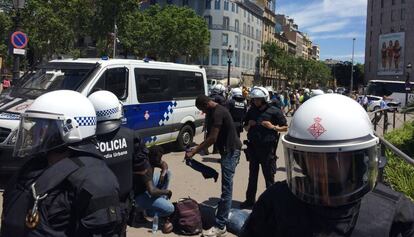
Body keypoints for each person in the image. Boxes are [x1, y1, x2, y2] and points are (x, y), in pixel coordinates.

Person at [240, 94, 414, 237]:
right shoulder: (275, 201)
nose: (320, 168)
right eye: (311, 158)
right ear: (299, 159)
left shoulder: (395, 214)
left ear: (359, 160)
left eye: (332, 159)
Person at [1, 90, 122, 237]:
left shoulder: (95, 180)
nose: (36, 133)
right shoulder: (32, 167)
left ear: (69, 128)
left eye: (43, 127)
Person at [88, 90, 150, 235]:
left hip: (92, 212)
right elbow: (142, 171)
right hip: (122, 207)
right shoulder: (132, 137)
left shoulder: (85, 142)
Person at [186, 94, 242, 237]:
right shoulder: (213, 111)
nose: (203, 113)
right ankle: (223, 210)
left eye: (202, 110)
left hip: (231, 151)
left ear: (206, 105)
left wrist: (195, 150)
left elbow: (212, 138)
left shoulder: (218, 112)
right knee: (226, 187)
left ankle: (220, 225)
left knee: (226, 189)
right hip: (227, 151)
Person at [240, 87, 288, 209]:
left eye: (258, 100)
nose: (256, 102)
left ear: (264, 99)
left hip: (267, 150)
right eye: (254, 99)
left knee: (269, 177)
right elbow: (245, 127)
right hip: (253, 148)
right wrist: (248, 125)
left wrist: (273, 127)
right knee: (252, 176)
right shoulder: (251, 111)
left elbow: (286, 127)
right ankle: (250, 200)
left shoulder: (275, 111)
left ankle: (271, 204)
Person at [134, 144, 174, 230]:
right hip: (140, 196)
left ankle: (161, 203)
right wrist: (167, 192)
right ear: (152, 156)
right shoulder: (145, 166)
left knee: (168, 173)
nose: (160, 160)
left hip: (147, 187)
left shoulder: (152, 159)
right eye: (159, 158)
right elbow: (151, 191)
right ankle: (148, 212)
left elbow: (164, 164)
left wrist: (163, 174)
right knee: (171, 209)